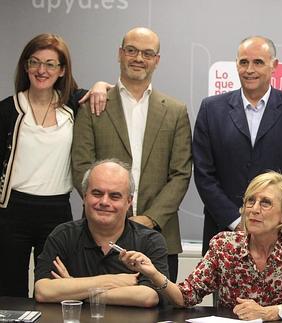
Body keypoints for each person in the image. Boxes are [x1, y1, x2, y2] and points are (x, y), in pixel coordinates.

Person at [120, 171, 282, 321]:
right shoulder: (225, 245)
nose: (254, 209)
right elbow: (185, 296)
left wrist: (270, 312)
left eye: (265, 203)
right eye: (250, 201)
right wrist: (153, 272)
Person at [71, 27, 192, 282]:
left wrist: (149, 219)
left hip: (159, 237)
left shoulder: (175, 111)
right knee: (93, 308)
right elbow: (81, 166)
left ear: (157, 60)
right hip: (98, 235)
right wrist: (112, 215)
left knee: (157, 311)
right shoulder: (95, 104)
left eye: (148, 53)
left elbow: (181, 174)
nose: (139, 58)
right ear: (120, 54)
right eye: (132, 50)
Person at [0, 33, 108, 297]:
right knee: (8, 292)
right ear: (25, 66)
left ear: (62, 70)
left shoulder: (73, 105)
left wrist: (100, 84)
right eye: (35, 62)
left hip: (56, 211)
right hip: (11, 212)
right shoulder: (7, 110)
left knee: (54, 291)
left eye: (50, 64)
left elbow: (107, 91)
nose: (41, 70)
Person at [193, 36, 282, 254]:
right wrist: (236, 221)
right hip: (225, 232)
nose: (250, 69)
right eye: (243, 62)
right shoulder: (211, 109)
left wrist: (274, 217)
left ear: (274, 65)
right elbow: (204, 174)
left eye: (258, 62)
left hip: (280, 234)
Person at [34, 159, 169, 307]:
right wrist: (113, 281)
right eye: (97, 193)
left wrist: (73, 288)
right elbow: (43, 291)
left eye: (114, 196)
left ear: (129, 201)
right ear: (85, 197)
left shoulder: (150, 240)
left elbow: (147, 297)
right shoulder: (63, 235)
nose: (104, 201)